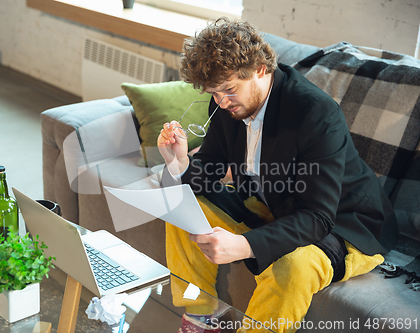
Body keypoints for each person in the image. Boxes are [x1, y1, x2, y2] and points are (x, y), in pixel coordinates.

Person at [157, 18, 398, 333]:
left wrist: (245, 245)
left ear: (259, 68)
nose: (220, 102)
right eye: (213, 92)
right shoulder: (227, 107)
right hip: (276, 204)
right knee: (182, 208)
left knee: (291, 269)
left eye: (228, 90)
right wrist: (180, 164)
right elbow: (211, 171)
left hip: (346, 223)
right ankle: (200, 316)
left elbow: (317, 216)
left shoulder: (315, 112)